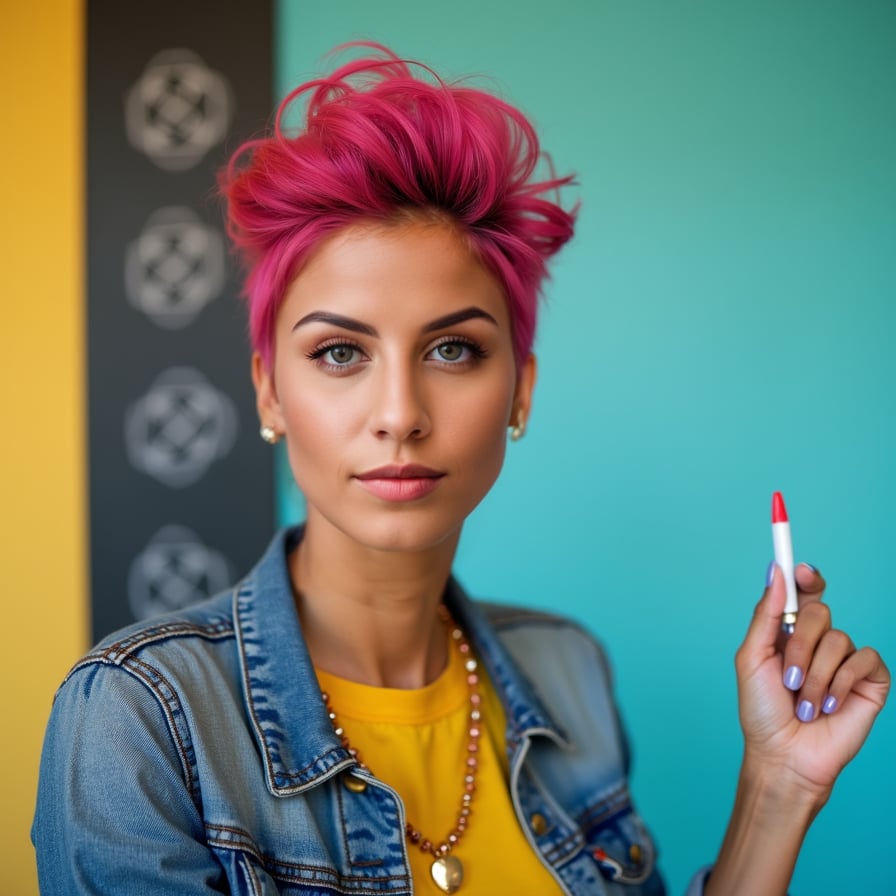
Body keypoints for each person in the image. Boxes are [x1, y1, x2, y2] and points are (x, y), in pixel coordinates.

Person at [33, 44, 889, 895]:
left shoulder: (568, 670)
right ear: (269, 394)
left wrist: (779, 785)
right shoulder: (141, 720)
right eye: (338, 352)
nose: (400, 412)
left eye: (453, 349)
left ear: (520, 391)